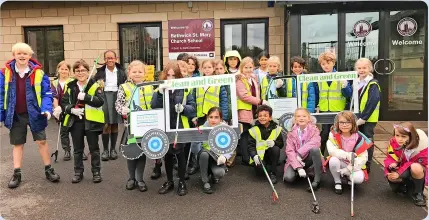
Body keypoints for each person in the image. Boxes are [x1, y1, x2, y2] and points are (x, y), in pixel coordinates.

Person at [0, 42, 60, 188]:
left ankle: (49, 170)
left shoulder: (38, 73)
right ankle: (17, 173)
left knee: (42, 142)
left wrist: (47, 109)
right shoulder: (4, 73)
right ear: (14, 55)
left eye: (25, 53)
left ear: (29, 56)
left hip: (35, 113)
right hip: (15, 114)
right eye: (19, 53)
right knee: (18, 144)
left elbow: (46, 94)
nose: (22, 56)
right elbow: (1, 95)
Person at [151, 61, 196, 196]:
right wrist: (159, 93)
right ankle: (170, 181)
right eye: (168, 75)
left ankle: (182, 181)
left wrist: (184, 109)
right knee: (168, 155)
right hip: (165, 125)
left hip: (179, 126)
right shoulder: (159, 88)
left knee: (180, 154)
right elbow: (154, 106)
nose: (170, 78)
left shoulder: (185, 89)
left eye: (174, 76)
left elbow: (192, 108)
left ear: (178, 77)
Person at [61, 59, 104, 183]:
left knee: (94, 148)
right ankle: (78, 172)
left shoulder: (96, 85)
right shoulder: (70, 86)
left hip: (91, 121)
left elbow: (100, 101)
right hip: (76, 121)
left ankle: (96, 172)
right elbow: (64, 103)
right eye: (77, 70)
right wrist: (71, 110)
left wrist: (87, 97)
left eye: (83, 70)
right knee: (78, 149)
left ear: (88, 71)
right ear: (74, 72)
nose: (80, 73)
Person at [115, 60, 152, 192]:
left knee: (142, 153)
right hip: (131, 126)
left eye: (140, 71)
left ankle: (140, 178)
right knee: (131, 152)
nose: (137, 74)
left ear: (145, 74)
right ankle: (131, 178)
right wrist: (122, 109)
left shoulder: (149, 86)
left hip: (145, 126)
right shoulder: (123, 87)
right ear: (129, 73)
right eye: (134, 71)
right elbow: (118, 104)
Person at [325, 111, 372, 194]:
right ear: (337, 123)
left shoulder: (359, 138)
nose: (344, 125)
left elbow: (363, 158)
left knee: (359, 178)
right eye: (342, 122)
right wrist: (347, 155)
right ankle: (337, 181)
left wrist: (348, 169)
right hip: (340, 160)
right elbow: (332, 151)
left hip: (353, 164)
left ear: (353, 123)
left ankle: (348, 177)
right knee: (333, 160)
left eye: (348, 122)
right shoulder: (333, 135)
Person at [317, 52, 353, 156]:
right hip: (324, 110)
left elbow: (348, 94)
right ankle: (321, 157)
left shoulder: (341, 76)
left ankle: (336, 157)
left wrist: (345, 85)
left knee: (337, 135)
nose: (326, 66)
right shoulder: (318, 78)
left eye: (328, 63)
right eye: (323, 64)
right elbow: (316, 93)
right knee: (324, 134)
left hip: (338, 111)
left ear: (334, 63)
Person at [384, 122, 428, 206]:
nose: (399, 139)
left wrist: (399, 173)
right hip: (401, 169)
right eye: (397, 135)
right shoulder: (393, 142)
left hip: (416, 171)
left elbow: (419, 163)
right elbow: (389, 157)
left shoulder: (422, 146)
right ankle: (404, 186)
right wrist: (391, 165)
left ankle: (418, 194)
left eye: (403, 136)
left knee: (415, 167)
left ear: (411, 136)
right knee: (392, 179)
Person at [94, 50, 127, 162]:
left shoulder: (121, 72)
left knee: (114, 123)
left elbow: (125, 85)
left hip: (117, 96)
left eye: (112, 58)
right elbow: (95, 85)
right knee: (106, 123)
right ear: (105, 60)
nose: (110, 60)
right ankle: (105, 150)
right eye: (107, 58)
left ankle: (113, 149)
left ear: (115, 59)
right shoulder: (99, 72)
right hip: (104, 97)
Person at [190, 107, 230, 194]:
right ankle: (205, 181)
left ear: (221, 118)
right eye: (211, 117)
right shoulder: (201, 128)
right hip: (203, 156)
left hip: (216, 158)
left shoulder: (225, 129)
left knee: (220, 173)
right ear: (207, 118)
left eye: (216, 117)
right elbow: (194, 150)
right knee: (204, 154)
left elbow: (231, 146)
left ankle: (212, 174)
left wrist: (225, 156)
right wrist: (195, 140)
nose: (213, 120)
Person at [283, 108, 323, 191]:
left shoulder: (314, 130)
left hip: (308, 158)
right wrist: (298, 168)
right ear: (295, 119)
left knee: (315, 150)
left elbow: (315, 142)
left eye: (304, 116)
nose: (301, 118)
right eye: (298, 116)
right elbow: (289, 151)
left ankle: (317, 179)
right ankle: (301, 170)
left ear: (309, 118)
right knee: (288, 178)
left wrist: (299, 153)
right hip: (295, 159)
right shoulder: (291, 132)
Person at [51, 61, 83, 161]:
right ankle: (67, 150)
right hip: (61, 110)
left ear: (69, 71)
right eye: (62, 69)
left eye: (66, 69)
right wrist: (57, 108)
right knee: (63, 131)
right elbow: (54, 97)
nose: (64, 71)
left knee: (76, 131)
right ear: (58, 70)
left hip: (72, 109)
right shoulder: (54, 83)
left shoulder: (73, 81)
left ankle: (79, 151)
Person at [235, 57, 262, 166]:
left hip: (254, 109)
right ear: (241, 68)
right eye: (246, 67)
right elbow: (244, 96)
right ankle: (245, 159)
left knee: (252, 134)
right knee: (245, 134)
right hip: (244, 110)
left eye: (250, 67)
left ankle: (252, 156)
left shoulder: (254, 78)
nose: (248, 69)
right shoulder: (239, 79)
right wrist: (260, 101)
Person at [354, 58, 381, 173]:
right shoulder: (356, 81)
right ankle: (359, 162)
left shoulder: (373, 84)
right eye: (359, 68)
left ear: (370, 69)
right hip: (357, 117)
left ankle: (367, 165)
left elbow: (372, 102)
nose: (361, 70)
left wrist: (363, 118)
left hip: (368, 119)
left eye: (364, 68)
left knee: (367, 140)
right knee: (358, 140)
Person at [248, 105, 283, 184]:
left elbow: (281, 144)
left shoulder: (276, 128)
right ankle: (266, 167)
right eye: (260, 116)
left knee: (276, 148)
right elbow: (251, 146)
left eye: (265, 116)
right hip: (259, 156)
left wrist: (275, 142)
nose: (262, 117)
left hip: (271, 154)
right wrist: (254, 156)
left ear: (270, 117)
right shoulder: (253, 130)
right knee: (260, 173)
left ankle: (273, 173)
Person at [194, 60, 229, 126]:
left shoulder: (219, 82)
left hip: (214, 116)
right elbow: (193, 100)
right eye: (205, 68)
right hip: (200, 116)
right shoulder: (197, 82)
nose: (207, 69)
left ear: (213, 68)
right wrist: (193, 116)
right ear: (202, 69)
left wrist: (224, 118)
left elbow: (224, 101)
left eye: (209, 67)